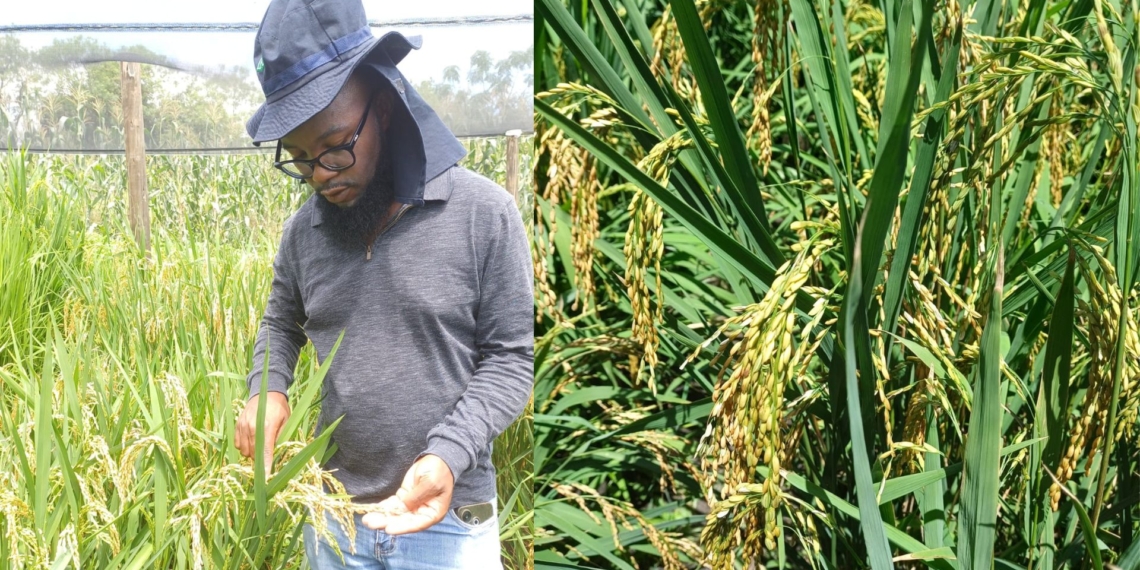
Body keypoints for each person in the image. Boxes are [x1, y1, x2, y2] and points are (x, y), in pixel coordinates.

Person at [231, 1, 533, 568]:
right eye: (298, 158)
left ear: (386, 105)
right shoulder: (305, 232)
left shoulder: (483, 214)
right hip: (333, 521)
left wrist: (447, 455)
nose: (320, 173)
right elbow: (280, 322)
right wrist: (267, 388)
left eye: (336, 144)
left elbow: (512, 358)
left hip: (447, 525)